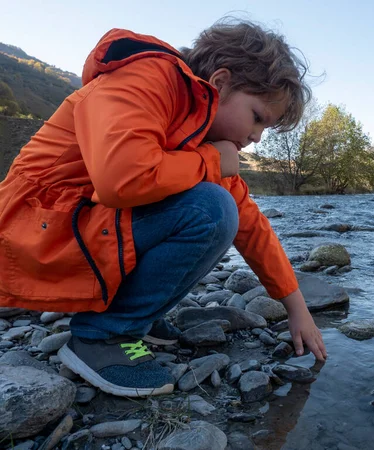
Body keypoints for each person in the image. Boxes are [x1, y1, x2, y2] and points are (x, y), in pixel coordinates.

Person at [0, 18, 327, 397]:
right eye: (257, 117)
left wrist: (295, 306)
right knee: (211, 210)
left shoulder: (199, 133)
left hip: (72, 229)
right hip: (26, 235)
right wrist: (210, 162)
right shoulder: (146, 77)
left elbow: (251, 225)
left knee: (223, 209)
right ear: (220, 84)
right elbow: (121, 179)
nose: (256, 137)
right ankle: (103, 337)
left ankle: (137, 315)